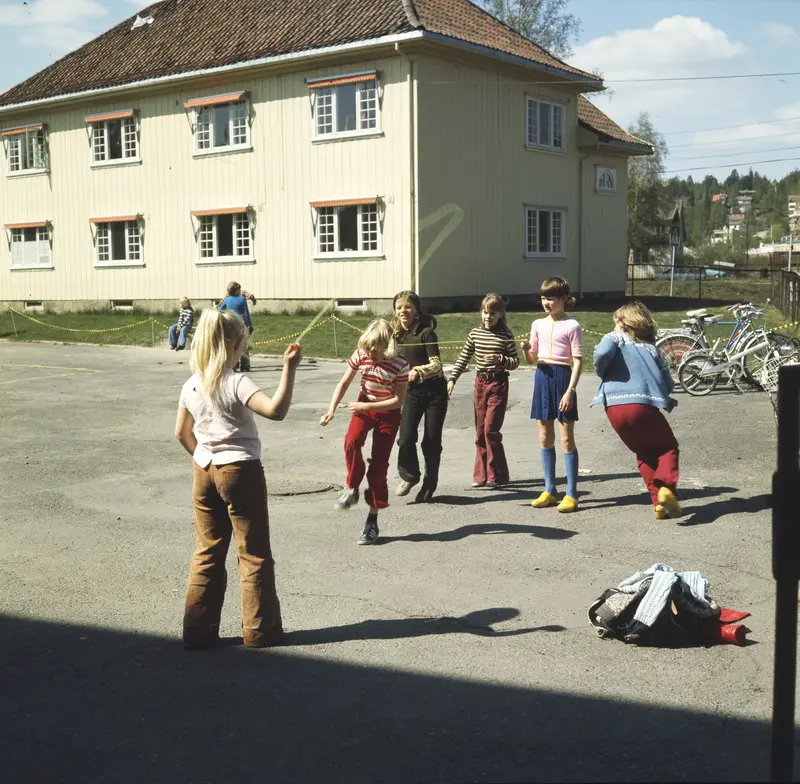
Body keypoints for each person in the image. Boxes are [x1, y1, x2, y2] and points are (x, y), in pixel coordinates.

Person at [174, 308, 301, 650]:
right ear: (238, 344)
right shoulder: (235, 380)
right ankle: (260, 632)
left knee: (207, 551)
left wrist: (205, 458)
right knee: (253, 553)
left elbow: (181, 434)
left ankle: (198, 632)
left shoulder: (192, 384)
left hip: (204, 472)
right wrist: (289, 369)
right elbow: (276, 410)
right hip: (240, 470)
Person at [320, 319, 409, 545]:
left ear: (387, 348)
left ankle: (372, 521)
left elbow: (398, 401)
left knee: (378, 469)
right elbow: (344, 382)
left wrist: (366, 407)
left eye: (376, 352)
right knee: (351, 441)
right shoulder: (361, 355)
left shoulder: (400, 364)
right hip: (365, 404)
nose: (371, 356)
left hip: (387, 412)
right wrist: (330, 410)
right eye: (368, 350)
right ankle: (351, 488)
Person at [591, 302, 681, 519]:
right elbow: (668, 383)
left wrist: (603, 371)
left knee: (644, 452)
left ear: (622, 322)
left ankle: (658, 503)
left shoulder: (613, 339)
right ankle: (666, 487)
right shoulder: (652, 349)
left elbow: (601, 355)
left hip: (613, 407)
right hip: (642, 405)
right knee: (667, 447)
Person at [521, 277, 583, 513]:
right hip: (542, 376)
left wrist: (570, 391)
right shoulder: (537, 323)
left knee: (566, 438)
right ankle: (550, 489)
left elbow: (578, 361)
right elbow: (532, 358)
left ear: (564, 299)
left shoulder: (572, 326)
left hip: (563, 378)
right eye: (544, 298)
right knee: (545, 436)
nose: (546, 303)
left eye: (552, 298)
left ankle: (572, 493)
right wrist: (527, 350)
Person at [448, 293, 519, 488]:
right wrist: (452, 378)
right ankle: (481, 476)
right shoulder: (475, 334)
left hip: (498, 385)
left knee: (490, 430)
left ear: (500, 314)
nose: (488, 317)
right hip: (480, 384)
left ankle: (498, 475)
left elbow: (515, 362)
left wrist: (501, 360)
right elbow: (464, 357)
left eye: (493, 313)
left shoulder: (505, 335)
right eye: (485, 312)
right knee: (480, 432)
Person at [392, 291, 447, 503]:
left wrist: (418, 372)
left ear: (416, 310)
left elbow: (437, 365)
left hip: (435, 392)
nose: (403, 311)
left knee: (431, 442)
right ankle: (410, 475)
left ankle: (429, 483)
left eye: (407, 307)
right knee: (405, 437)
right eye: (399, 307)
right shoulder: (394, 334)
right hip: (411, 392)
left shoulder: (426, 333)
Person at [218, 282, 255, 371]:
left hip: (231, 324)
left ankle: (233, 365)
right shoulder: (242, 299)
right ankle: (245, 364)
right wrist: (249, 324)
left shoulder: (227, 299)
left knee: (233, 344)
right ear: (237, 290)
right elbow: (246, 313)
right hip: (242, 324)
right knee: (243, 344)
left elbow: (219, 309)